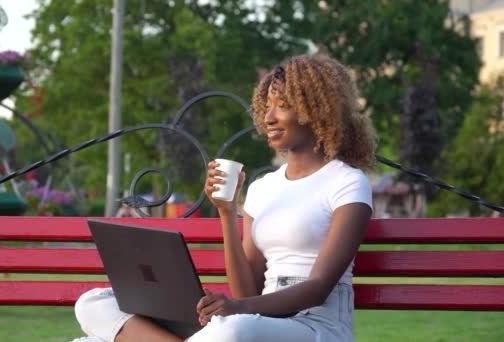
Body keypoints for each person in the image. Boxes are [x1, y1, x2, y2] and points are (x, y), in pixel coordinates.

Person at [73, 53, 377, 341]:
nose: (268, 117)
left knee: (231, 332)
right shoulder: (263, 188)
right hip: (258, 321)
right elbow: (247, 293)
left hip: (315, 325)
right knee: (93, 302)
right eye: (267, 105)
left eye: (282, 105)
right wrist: (227, 214)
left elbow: (318, 288)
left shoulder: (347, 183)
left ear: (317, 110)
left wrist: (233, 310)